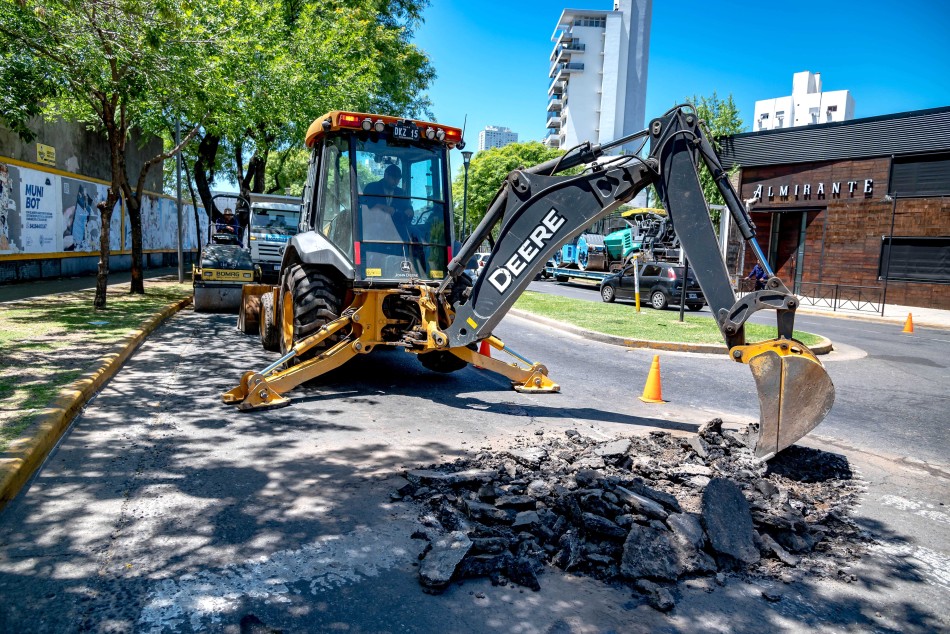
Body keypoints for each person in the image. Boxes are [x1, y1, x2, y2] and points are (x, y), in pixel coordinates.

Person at [362, 165, 413, 233]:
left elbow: (408, 209)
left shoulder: (401, 193)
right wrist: (382, 208)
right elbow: (365, 208)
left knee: (414, 232)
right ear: (386, 175)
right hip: (374, 227)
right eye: (394, 178)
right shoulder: (371, 188)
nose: (396, 182)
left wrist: (410, 211)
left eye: (398, 179)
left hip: (397, 229)